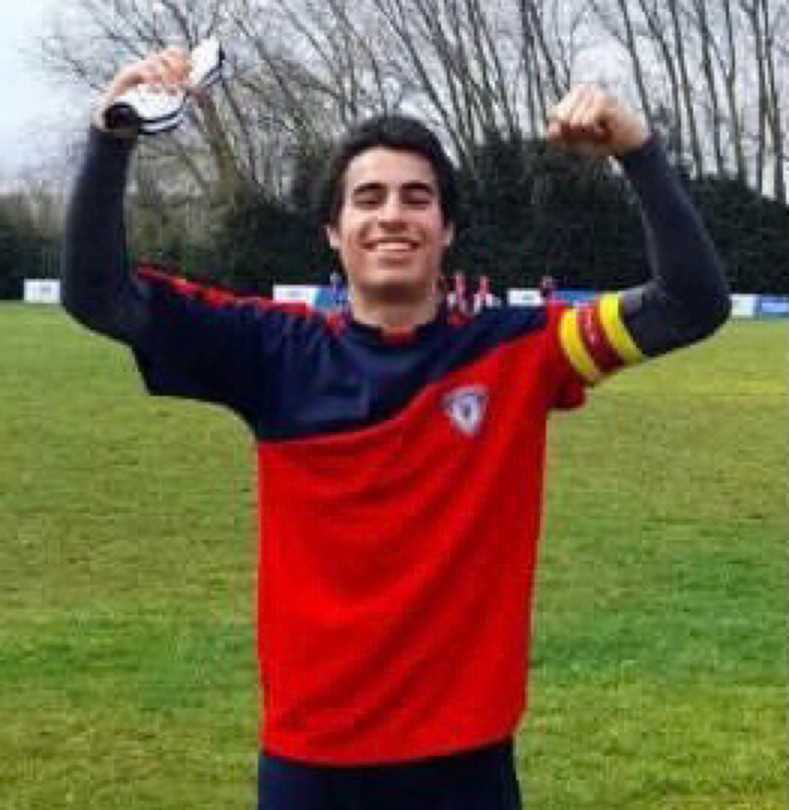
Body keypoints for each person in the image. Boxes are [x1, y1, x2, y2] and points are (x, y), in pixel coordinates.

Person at [62, 46, 730, 810]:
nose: (391, 215)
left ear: (446, 230)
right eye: (368, 197)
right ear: (333, 231)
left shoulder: (522, 352)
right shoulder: (268, 350)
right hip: (311, 765)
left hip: (464, 767)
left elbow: (689, 304)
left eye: (417, 198)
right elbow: (99, 295)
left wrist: (636, 152)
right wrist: (112, 135)